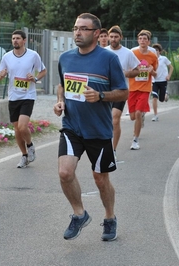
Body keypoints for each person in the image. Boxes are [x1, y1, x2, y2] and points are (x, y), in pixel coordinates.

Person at [54, 13, 128, 241]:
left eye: (84, 29)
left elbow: (123, 91)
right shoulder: (65, 58)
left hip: (99, 130)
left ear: (96, 33)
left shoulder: (108, 59)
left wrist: (101, 95)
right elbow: (62, 85)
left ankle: (109, 218)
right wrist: (61, 102)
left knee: (100, 179)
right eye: (76, 28)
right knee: (65, 172)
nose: (77, 32)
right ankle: (79, 213)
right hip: (72, 126)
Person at [0, 30, 47, 168]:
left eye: (18, 38)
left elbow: (43, 70)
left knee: (22, 126)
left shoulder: (33, 55)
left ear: (24, 40)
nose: (15, 41)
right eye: (13, 38)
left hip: (28, 95)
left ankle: (30, 146)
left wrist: (35, 78)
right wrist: (1, 75)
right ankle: (24, 155)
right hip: (13, 96)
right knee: (17, 130)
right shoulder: (7, 57)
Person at [105, 25, 140, 160]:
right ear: (108, 38)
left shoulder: (127, 53)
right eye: (111, 37)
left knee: (115, 119)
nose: (113, 39)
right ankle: (105, 145)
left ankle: (113, 150)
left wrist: (126, 73)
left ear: (121, 38)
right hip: (105, 91)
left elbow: (137, 70)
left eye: (116, 37)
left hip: (120, 91)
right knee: (105, 120)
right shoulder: (103, 51)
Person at [128, 30, 158, 150]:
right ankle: (140, 119)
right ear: (138, 40)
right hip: (132, 88)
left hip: (145, 89)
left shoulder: (152, 56)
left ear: (149, 41)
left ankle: (135, 140)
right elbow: (128, 69)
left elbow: (156, 74)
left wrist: (151, 71)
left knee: (139, 112)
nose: (142, 41)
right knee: (132, 116)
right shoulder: (132, 53)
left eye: (145, 39)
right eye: (140, 38)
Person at [151, 43, 174, 122]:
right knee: (154, 98)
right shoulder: (150, 59)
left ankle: (166, 94)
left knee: (162, 99)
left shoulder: (163, 58)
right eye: (154, 50)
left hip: (163, 80)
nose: (155, 52)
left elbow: (171, 67)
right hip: (154, 81)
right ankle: (155, 115)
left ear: (159, 51)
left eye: (157, 50)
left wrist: (169, 76)